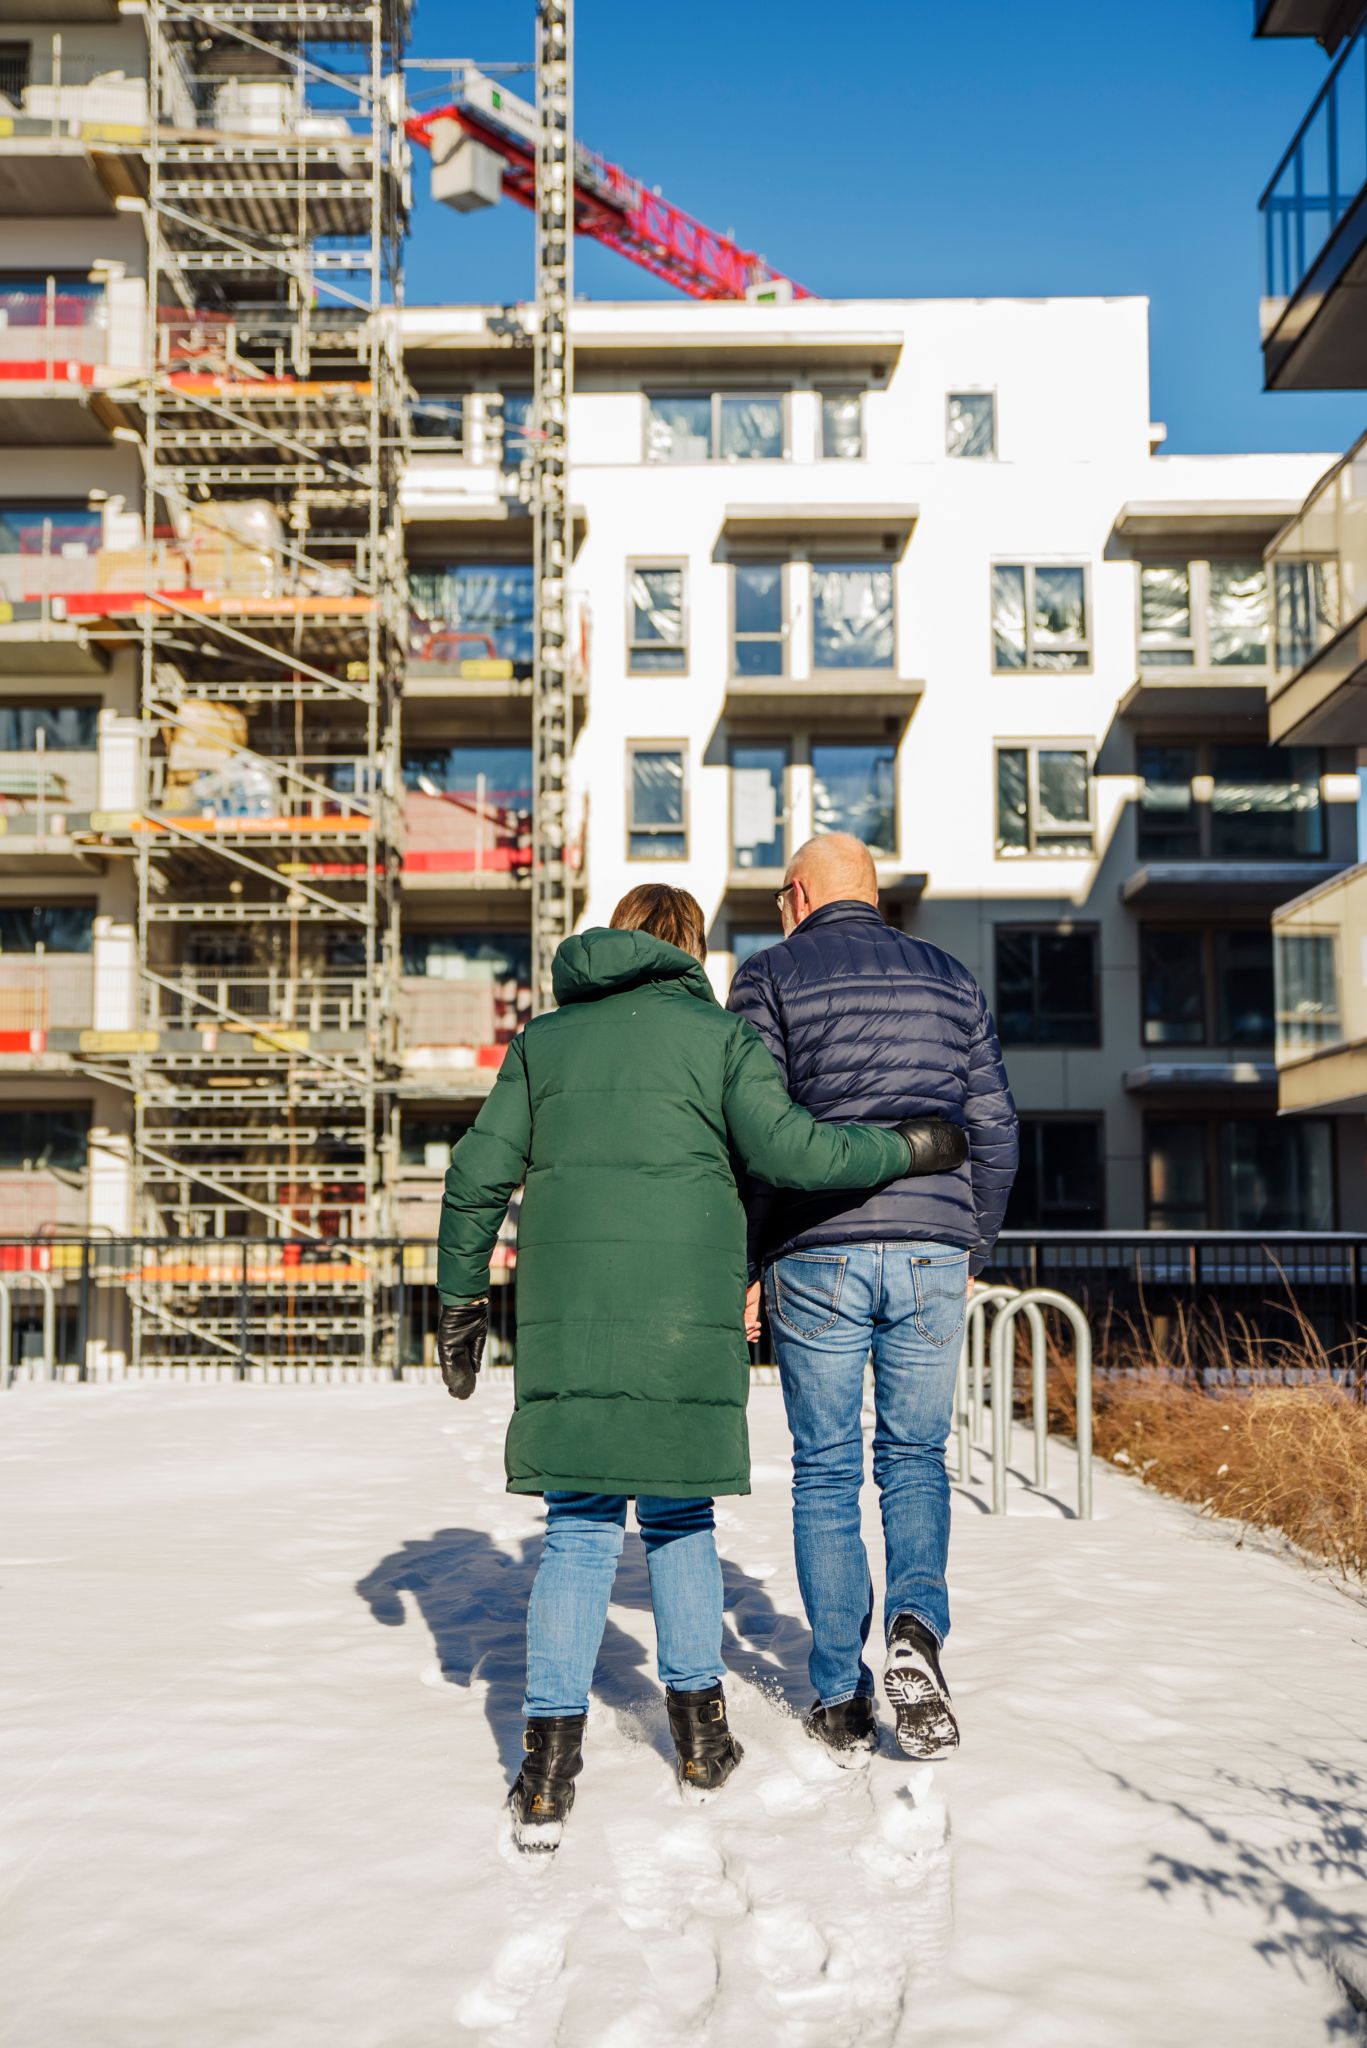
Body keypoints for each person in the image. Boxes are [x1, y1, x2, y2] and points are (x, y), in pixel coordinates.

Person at [434, 884, 967, 1851]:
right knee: (679, 1517)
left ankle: (547, 1774)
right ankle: (699, 1741)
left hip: (572, 1324)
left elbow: (475, 1175)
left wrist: (460, 1297)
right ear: (688, 950)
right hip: (684, 1322)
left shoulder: (544, 1044)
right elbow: (794, 1150)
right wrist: (907, 1146)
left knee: (579, 1529)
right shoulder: (718, 1042)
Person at [728, 834, 1018, 1765]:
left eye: (780, 896)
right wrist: (972, 1240)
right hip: (933, 1245)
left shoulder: (769, 975)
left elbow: (754, 1137)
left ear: (800, 894)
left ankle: (840, 1696)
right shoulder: (949, 977)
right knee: (915, 1458)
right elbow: (993, 1127)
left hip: (815, 1252)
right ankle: (914, 1633)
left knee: (824, 1468)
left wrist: (746, 1259)